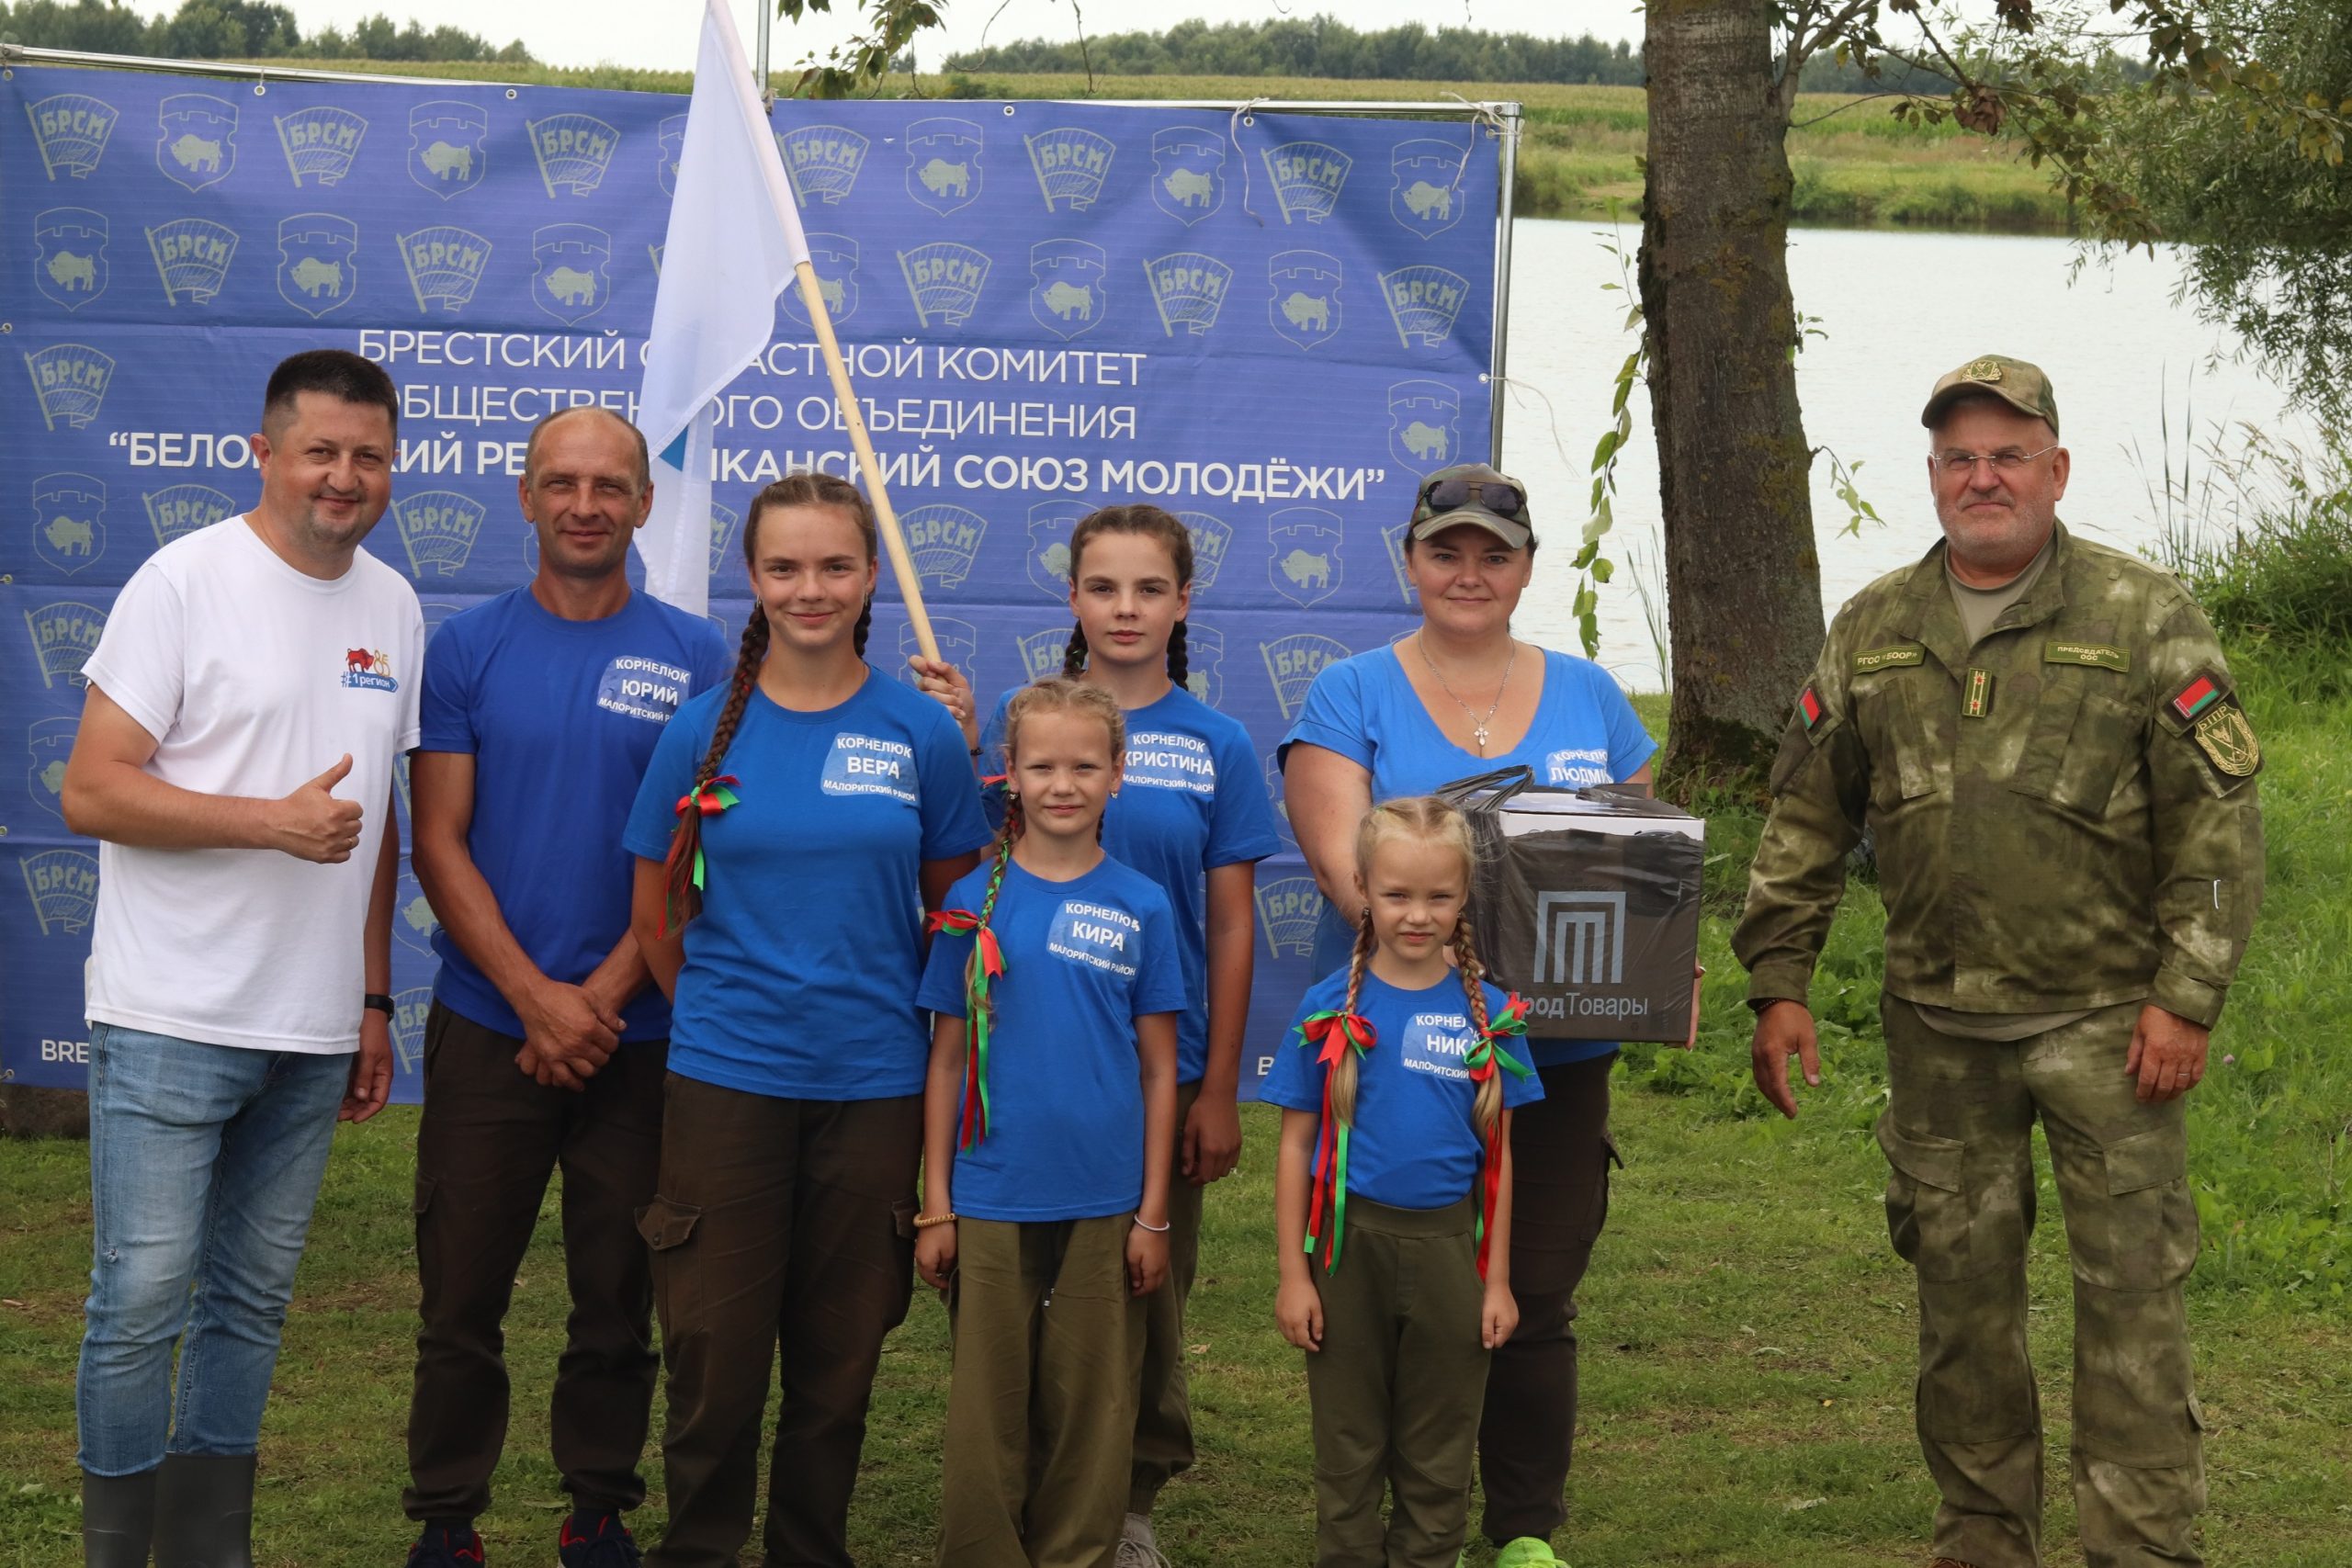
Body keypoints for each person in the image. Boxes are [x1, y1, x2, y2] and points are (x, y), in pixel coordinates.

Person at [1735, 355, 2264, 1568]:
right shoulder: (1874, 627)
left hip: (2107, 1023)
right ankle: (1981, 1534)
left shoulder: (2142, 615)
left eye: (2009, 453)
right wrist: (1779, 980)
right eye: (1961, 457)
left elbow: (2215, 824)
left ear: (2056, 468)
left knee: (2130, 1306)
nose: (1985, 477)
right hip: (1937, 1026)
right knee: (1961, 1308)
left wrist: (2187, 994)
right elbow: (1807, 815)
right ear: (1933, 477)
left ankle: (2138, 1545)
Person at [58, 349, 419, 1568]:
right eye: (319, 449)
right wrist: (267, 820)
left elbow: (377, 823)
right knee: (139, 1305)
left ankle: (209, 1548)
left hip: (312, 1027)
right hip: (172, 1010)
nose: (344, 475)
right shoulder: (183, 581)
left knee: (250, 1307)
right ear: (262, 454)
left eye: (368, 454)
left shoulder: (395, 605)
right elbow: (90, 787)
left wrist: (372, 997)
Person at [1278, 463, 1656, 1568]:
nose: (1469, 572)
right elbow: (1353, 876)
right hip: (1400, 1050)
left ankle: (1525, 1530)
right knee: (1396, 1295)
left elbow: (1630, 881)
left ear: (1528, 567)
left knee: (1533, 1291)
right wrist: (1480, 970)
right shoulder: (1348, 692)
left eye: (1494, 553)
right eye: (1446, 550)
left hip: (1559, 1046)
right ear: (1410, 562)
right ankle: (1389, 1517)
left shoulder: (1591, 693)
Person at [621, 473, 992, 1568]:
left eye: (835, 565)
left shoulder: (921, 734)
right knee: (713, 1361)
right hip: (727, 1087)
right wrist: (726, 1020)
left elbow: (958, 910)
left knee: (837, 1369)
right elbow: (655, 915)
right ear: (754, 578)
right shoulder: (700, 731)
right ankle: (699, 1550)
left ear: (871, 576)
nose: (810, 589)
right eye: (785, 567)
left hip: (874, 1089)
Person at [914, 503, 1283, 1566]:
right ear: (1072, 599)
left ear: (1182, 602)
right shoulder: (1023, 744)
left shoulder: (1215, 744)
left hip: (1154, 1079)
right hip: (1014, 1093)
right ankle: (1009, 1509)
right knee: (1007, 1333)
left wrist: (1217, 1085)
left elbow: (1226, 921)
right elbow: (977, 867)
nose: (1127, 608)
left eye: (1150, 588)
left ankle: (1123, 1508)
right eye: (1105, 587)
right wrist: (965, 741)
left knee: (1133, 1317)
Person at [399, 408, 732, 1568]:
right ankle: (447, 1518)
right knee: (460, 1299)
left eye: (609, 485)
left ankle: (597, 1509)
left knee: (619, 1296)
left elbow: (696, 855)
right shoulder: (466, 646)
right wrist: (538, 997)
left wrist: (596, 998)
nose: (585, 505)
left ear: (645, 503)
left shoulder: (699, 657)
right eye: (561, 483)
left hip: (640, 1037)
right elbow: (438, 839)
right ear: (526, 497)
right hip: (492, 1023)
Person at [913, 676, 1187, 1567]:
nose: (1061, 783)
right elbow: (946, 1060)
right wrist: (936, 1205)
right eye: (1041, 765)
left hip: (1105, 1199)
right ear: (1010, 774)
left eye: (1083, 764)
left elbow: (1157, 1069)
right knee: (986, 1404)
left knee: (1092, 1402)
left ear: (1118, 773)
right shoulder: (970, 900)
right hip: (991, 1192)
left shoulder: (1142, 904)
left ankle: (1078, 1552)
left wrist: (1152, 1213)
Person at [1262, 795, 1542, 1568]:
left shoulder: (1493, 1017)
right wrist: (1295, 1274)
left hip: (1454, 1254)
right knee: (1349, 1449)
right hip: (1347, 1252)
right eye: (1396, 894)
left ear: (1465, 898)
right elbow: (1295, 1147)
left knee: (1438, 1452)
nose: (1417, 915)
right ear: (1361, 886)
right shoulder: (1327, 1010)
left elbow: (1501, 1156)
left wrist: (1497, 1282)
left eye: (1438, 896)